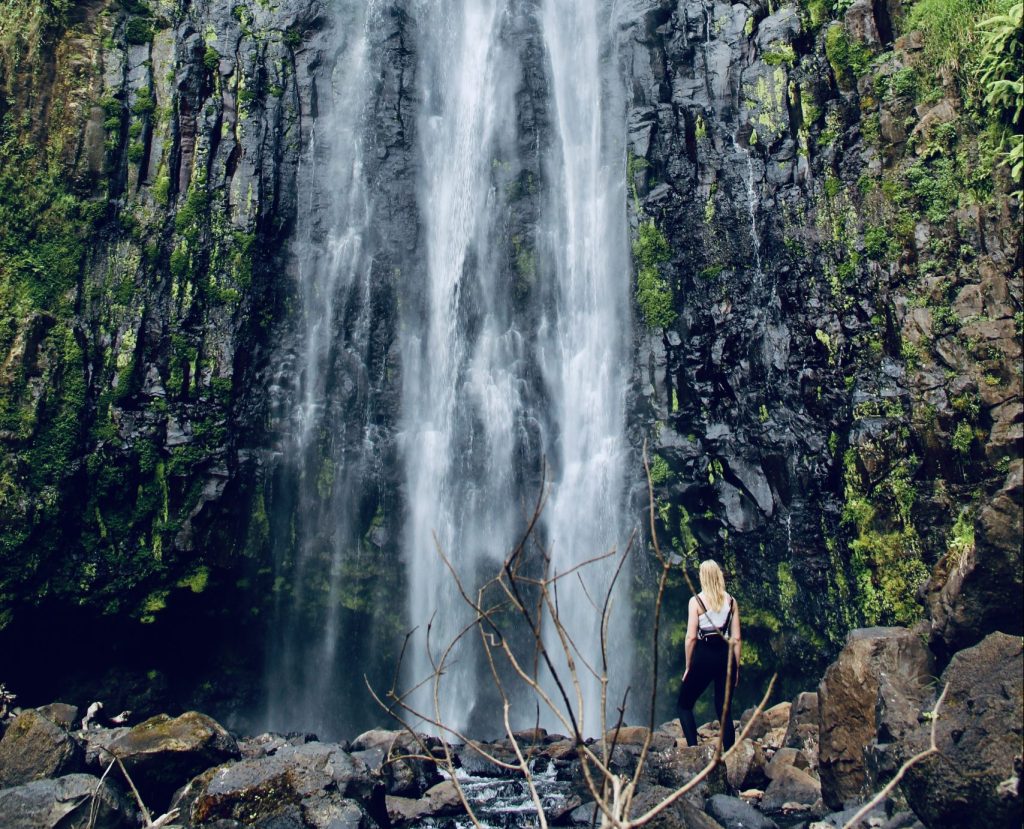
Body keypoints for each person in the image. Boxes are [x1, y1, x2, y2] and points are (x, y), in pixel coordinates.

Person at [677, 559, 741, 749]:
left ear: (703, 578)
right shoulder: (731, 601)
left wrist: (689, 665)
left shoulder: (695, 601)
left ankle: (693, 750)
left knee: (684, 705)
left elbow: (690, 638)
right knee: (724, 710)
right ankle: (731, 754)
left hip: (704, 655)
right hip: (725, 656)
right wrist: (736, 668)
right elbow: (736, 639)